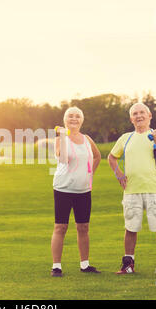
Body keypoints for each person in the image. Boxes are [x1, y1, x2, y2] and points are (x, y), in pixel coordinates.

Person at [107, 102, 156, 275]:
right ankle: (128, 265)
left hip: (155, 189)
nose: (139, 116)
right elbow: (111, 158)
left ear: (149, 115)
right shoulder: (125, 138)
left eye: (142, 112)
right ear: (131, 118)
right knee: (130, 228)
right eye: (135, 113)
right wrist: (119, 174)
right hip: (131, 190)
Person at [51, 106, 101, 277]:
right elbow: (63, 159)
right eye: (70, 116)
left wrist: (90, 174)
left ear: (82, 120)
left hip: (83, 190)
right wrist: (64, 137)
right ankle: (56, 266)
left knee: (83, 227)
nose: (74, 119)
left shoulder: (87, 139)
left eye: (77, 116)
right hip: (63, 189)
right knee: (61, 227)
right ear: (65, 120)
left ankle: (85, 265)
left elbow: (97, 156)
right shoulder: (59, 139)